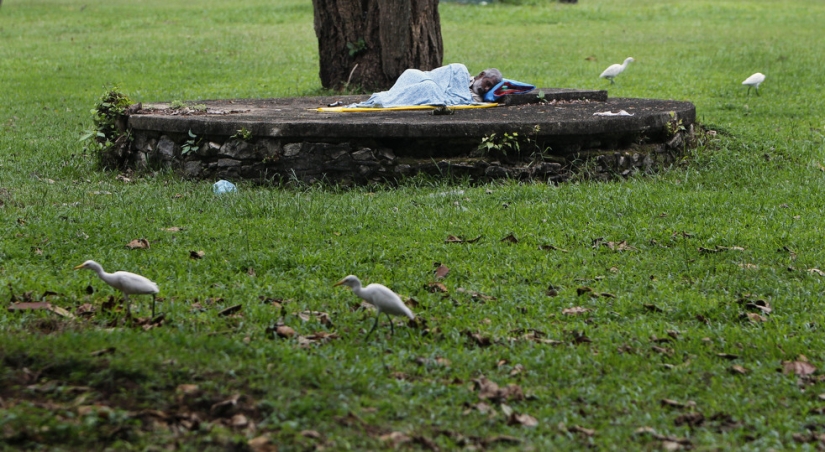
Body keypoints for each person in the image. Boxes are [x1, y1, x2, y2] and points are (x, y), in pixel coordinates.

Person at [355, 63, 503, 108]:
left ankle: (384, 100)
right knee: (412, 74)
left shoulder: (475, 99)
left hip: (430, 88)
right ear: (482, 75)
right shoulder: (462, 73)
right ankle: (386, 98)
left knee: (429, 87)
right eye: (487, 84)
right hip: (420, 76)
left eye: (490, 88)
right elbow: (439, 76)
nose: (486, 89)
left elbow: (454, 98)